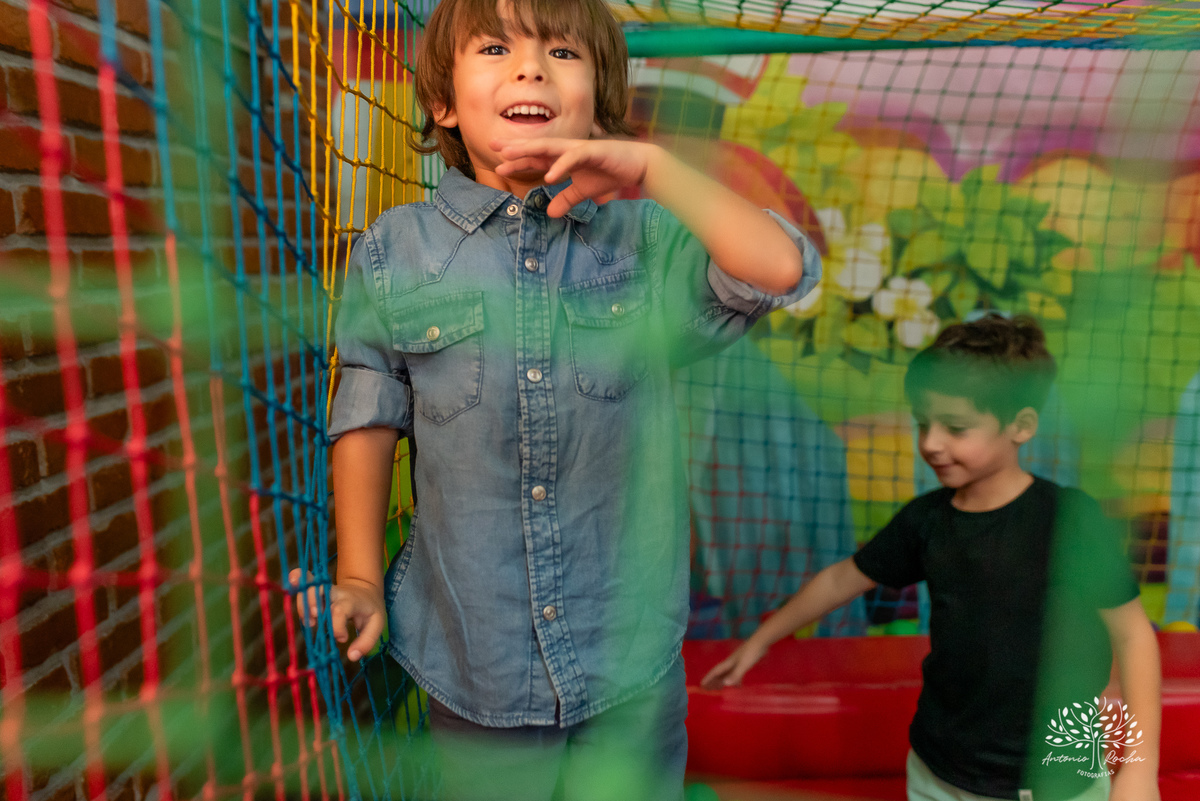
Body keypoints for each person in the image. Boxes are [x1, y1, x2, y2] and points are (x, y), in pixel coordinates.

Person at [291, 0, 821, 798]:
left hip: (629, 666)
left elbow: (779, 268)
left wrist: (650, 168)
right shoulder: (394, 250)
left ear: (600, 104)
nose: (531, 67)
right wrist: (361, 575)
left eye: (563, 52)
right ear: (442, 102)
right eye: (497, 47)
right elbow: (367, 413)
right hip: (474, 662)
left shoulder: (641, 242)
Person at [702, 314, 1162, 801]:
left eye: (956, 428)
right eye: (923, 423)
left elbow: (1133, 637)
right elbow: (843, 579)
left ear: (1021, 426)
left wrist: (1138, 772)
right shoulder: (927, 521)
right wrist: (762, 640)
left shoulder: (1070, 520)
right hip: (939, 772)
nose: (931, 443)